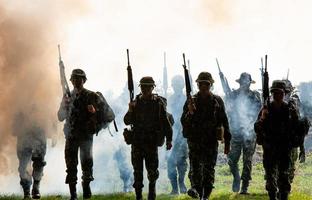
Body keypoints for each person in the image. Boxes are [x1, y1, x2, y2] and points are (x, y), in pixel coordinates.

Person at [58, 69, 113, 200]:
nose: (77, 81)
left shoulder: (92, 96)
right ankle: (73, 195)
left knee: (87, 165)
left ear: (84, 80)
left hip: (86, 137)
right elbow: (60, 117)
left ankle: (86, 191)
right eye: (74, 78)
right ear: (71, 81)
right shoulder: (67, 97)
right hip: (71, 136)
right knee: (71, 167)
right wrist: (64, 107)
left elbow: (109, 115)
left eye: (79, 78)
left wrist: (95, 113)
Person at [181, 72, 231, 200]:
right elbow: (183, 122)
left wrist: (227, 142)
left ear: (210, 85)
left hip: (210, 141)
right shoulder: (191, 101)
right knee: (195, 169)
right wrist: (190, 112)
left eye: (206, 84)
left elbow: (225, 121)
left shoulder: (217, 101)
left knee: (209, 170)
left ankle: (206, 196)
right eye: (201, 84)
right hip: (195, 141)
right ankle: (196, 189)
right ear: (197, 85)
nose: (203, 86)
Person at [124, 76, 173, 200]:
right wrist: (130, 110)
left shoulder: (157, 104)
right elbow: (126, 121)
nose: (145, 89)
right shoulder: (135, 103)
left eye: (148, 87)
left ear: (152, 88)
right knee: (137, 172)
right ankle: (139, 196)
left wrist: (169, 140)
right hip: (137, 142)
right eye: (143, 86)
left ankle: (152, 194)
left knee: (152, 172)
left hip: (151, 142)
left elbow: (166, 123)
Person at [254, 80, 299, 200]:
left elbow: (297, 128)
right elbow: (257, 127)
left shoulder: (289, 109)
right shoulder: (266, 108)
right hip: (270, 147)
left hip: (284, 148)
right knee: (270, 176)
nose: (278, 95)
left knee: (284, 176)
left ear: (284, 94)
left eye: (280, 93)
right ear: (272, 94)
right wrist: (263, 118)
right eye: (275, 93)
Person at [226, 73, 261, 194]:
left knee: (247, 161)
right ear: (239, 83)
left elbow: (259, 112)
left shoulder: (255, 96)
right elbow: (228, 111)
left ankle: (244, 187)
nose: (245, 85)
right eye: (243, 83)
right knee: (232, 159)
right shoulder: (233, 95)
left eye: (247, 83)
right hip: (236, 132)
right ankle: (236, 177)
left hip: (250, 132)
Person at [12, 108, 56, 199]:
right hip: (24, 133)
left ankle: (36, 188)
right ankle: (26, 191)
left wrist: (54, 131)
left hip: (39, 133)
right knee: (23, 165)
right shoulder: (21, 97)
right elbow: (15, 108)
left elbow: (50, 107)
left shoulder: (43, 95)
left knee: (39, 163)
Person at [167, 75, 188, 194]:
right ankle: (174, 188)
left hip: (183, 134)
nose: (176, 86)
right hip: (171, 133)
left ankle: (182, 182)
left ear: (182, 86)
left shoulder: (187, 99)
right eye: (174, 84)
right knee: (170, 161)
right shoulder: (170, 99)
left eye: (178, 84)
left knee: (182, 161)